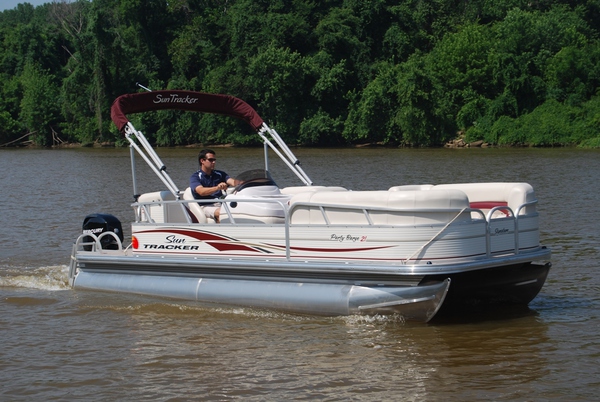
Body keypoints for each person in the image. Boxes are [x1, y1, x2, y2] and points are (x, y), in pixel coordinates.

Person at [189, 149, 239, 223]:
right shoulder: (195, 177)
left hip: (221, 203)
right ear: (202, 161)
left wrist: (245, 181)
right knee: (221, 213)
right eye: (211, 160)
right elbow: (201, 191)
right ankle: (224, 233)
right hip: (206, 205)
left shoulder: (219, 174)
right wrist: (217, 188)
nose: (214, 162)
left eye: (214, 160)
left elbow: (233, 182)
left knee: (241, 210)